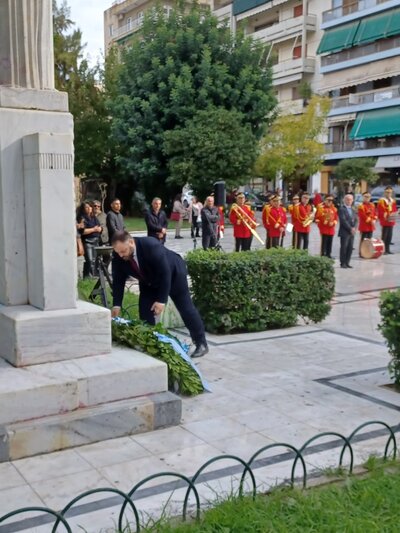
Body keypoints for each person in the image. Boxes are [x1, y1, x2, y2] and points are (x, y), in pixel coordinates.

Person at [111, 232, 208, 358]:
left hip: (173, 274)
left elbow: (165, 272)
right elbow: (118, 280)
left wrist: (161, 301)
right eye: (118, 252)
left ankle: (201, 343)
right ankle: (151, 344)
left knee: (185, 308)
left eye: (123, 251)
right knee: (145, 311)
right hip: (148, 280)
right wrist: (117, 305)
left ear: (131, 242)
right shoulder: (118, 255)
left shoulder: (150, 245)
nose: (121, 255)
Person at [77, 201, 102, 278]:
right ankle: (86, 276)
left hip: (95, 240)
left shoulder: (93, 217)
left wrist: (100, 229)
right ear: (83, 209)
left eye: (90, 207)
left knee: (94, 260)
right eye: (87, 207)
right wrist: (94, 229)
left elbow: (100, 227)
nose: (89, 208)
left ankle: (91, 276)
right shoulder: (82, 218)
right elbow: (83, 231)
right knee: (89, 260)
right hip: (87, 241)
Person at [338, 194, 357, 269]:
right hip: (344, 231)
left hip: (352, 232)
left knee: (350, 247)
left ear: (352, 200)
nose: (349, 201)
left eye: (350, 199)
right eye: (347, 199)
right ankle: (342, 263)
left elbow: (356, 220)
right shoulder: (342, 209)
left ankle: (347, 262)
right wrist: (350, 228)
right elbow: (343, 220)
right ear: (344, 200)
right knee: (344, 247)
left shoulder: (353, 209)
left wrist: (354, 228)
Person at [377, 186, 397, 254]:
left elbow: (394, 209)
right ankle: (383, 250)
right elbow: (381, 210)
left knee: (389, 236)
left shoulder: (393, 200)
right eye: (387, 192)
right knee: (384, 236)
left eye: (390, 192)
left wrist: (394, 214)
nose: (389, 194)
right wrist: (386, 215)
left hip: (391, 220)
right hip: (385, 220)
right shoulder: (382, 200)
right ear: (385, 193)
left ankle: (388, 249)